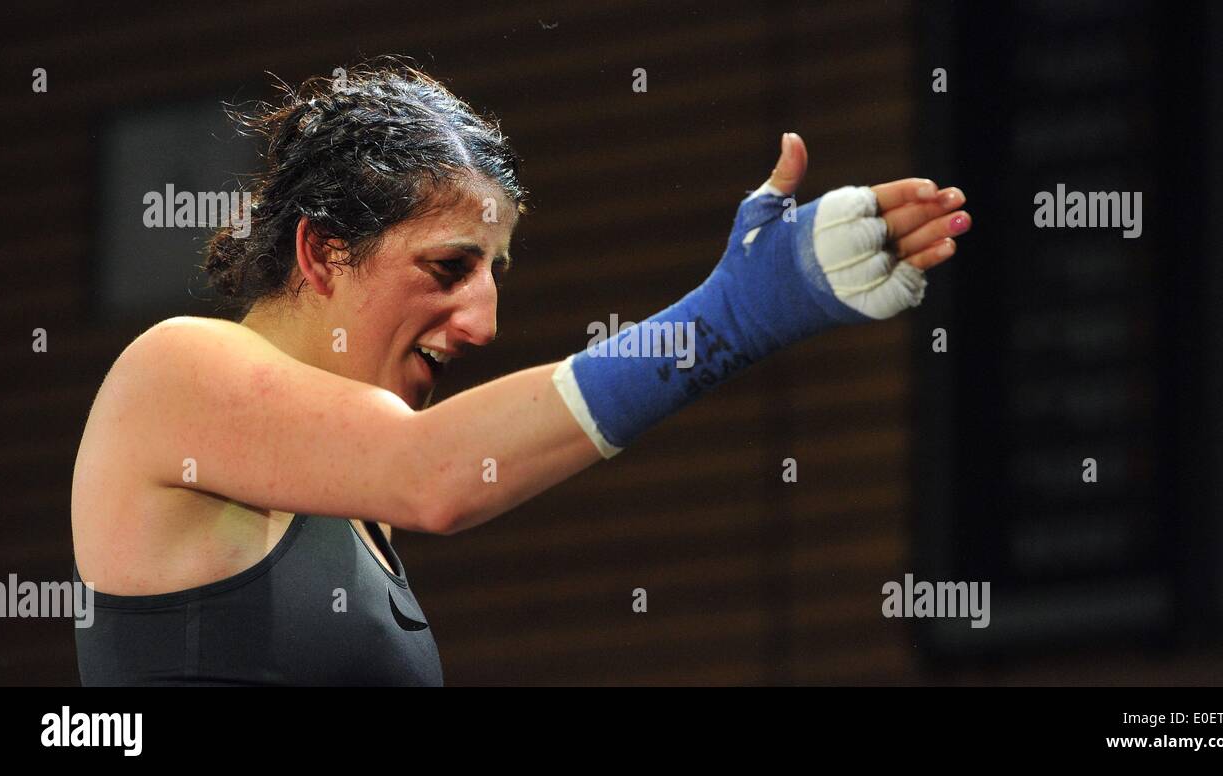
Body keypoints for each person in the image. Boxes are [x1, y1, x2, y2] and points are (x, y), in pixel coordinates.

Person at [71, 60, 971, 685]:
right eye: (448, 267)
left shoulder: (351, 514)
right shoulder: (174, 369)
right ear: (322, 251)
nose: (484, 320)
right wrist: (729, 317)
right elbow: (437, 475)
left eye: (495, 274)